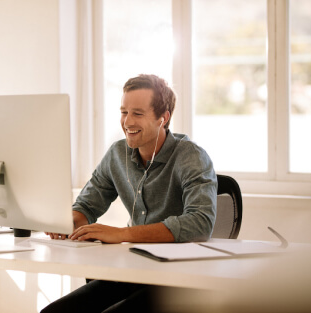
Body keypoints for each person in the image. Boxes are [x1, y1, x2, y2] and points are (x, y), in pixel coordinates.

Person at [42, 74, 217, 313]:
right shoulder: (117, 154)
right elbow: (87, 206)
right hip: (133, 268)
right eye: (124, 112)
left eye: (137, 113)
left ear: (162, 118)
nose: (127, 121)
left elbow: (200, 223)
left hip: (179, 279)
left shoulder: (191, 157)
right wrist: (66, 222)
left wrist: (121, 234)